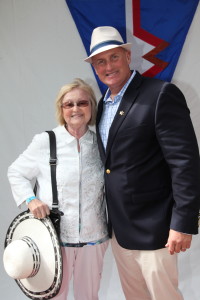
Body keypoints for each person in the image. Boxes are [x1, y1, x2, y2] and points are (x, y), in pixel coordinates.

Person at [84, 26, 200, 300]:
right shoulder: (103, 105)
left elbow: (185, 162)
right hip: (121, 232)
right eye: (100, 61)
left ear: (127, 56)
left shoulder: (160, 94)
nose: (108, 66)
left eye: (113, 57)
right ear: (95, 68)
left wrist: (183, 222)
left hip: (156, 229)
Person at [7, 78, 109, 300]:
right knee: (53, 296)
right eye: (69, 104)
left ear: (91, 107)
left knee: (89, 296)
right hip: (53, 238)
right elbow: (16, 172)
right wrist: (30, 199)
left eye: (82, 103)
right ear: (61, 109)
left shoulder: (101, 143)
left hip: (95, 237)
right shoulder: (46, 141)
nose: (75, 109)